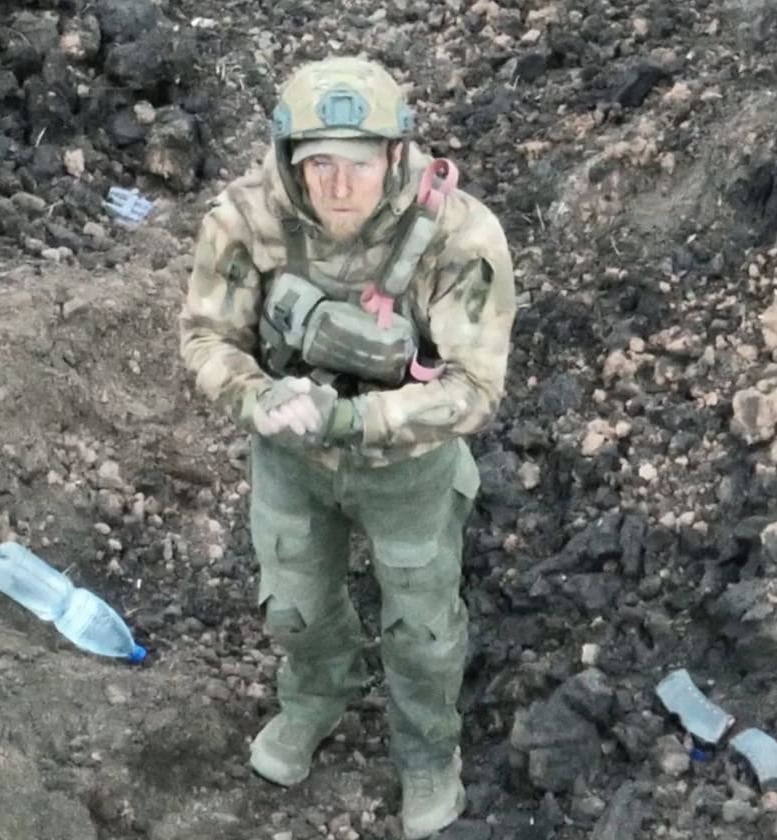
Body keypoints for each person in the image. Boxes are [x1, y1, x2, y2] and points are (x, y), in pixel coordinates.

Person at [179, 56, 516, 840]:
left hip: (409, 469)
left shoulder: (458, 234)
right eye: (319, 164)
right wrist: (258, 398)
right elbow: (206, 336)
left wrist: (353, 421)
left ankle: (427, 751)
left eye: (359, 165)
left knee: (422, 627)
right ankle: (318, 696)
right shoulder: (246, 219)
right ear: (290, 158)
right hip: (290, 459)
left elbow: (474, 388)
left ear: (394, 155)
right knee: (294, 607)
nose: (338, 187)